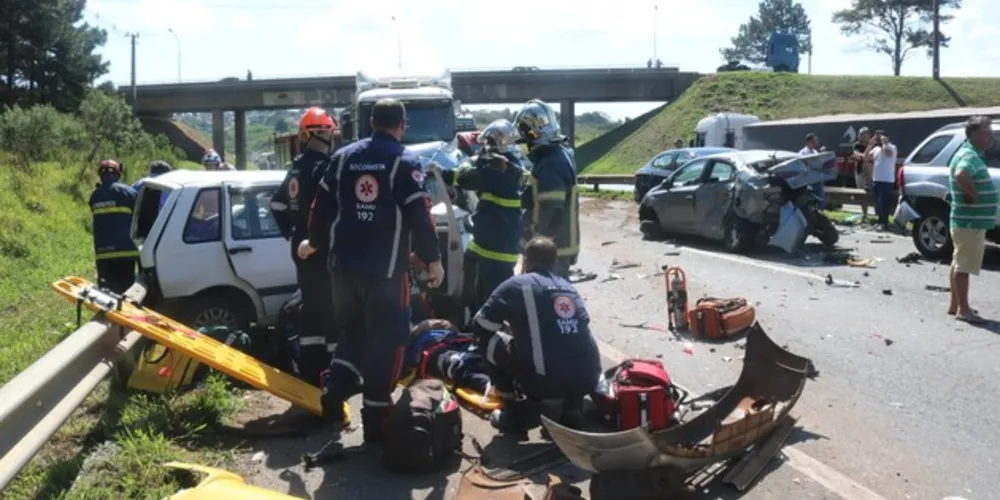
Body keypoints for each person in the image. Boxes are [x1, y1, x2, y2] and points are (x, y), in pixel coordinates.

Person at [300, 98, 444, 449]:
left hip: (342, 269)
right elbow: (419, 214)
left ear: (371, 122)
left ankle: (334, 391)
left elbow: (321, 205)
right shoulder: (404, 160)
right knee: (389, 340)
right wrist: (433, 258)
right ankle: (376, 419)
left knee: (353, 332)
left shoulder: (344, 156)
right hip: (384, 274)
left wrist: (313, 241)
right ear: (402, 124)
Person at [472, 236, 601, 432]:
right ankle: (573, 407)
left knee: (489, 340)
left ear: (526, 261)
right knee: (571, 339)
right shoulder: (568, 286)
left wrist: (514, 331)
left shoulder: (516, 285)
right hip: (589, 379)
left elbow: (481, 324)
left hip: (543, 381)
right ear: (555, 262)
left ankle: (513, 414)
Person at [270, 107, 340, 382]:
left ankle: (311, 369)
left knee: (310, 305)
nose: (332, 138)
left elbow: (276, 205)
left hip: (300, 244)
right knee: (331, 307)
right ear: (317, 135)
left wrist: (292, 233)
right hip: (320, 246)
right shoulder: (323, 168)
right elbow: (331, 211)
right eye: (328, 133)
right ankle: (333, 371)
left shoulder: (296, 167)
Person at [429, 119, 524, 314]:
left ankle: (484, 332)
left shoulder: (498, 170)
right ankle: (469, 314)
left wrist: (460, 168)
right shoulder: (510, 166)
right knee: (472, 272)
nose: (483, 148)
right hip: (492, 243)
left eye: (487, 143)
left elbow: (466, 177)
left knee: (489, 300)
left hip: (494, 249)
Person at [514, 99, 580, 279]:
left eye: (526, 131)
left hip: (550, 252)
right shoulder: (558, 154)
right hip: (556, 249)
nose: (525, 139)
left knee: (546, 301)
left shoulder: (550, 163)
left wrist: (538, 248)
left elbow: (553, 210)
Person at [947, 116, 998, 324]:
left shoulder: (969, 152)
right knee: (964, 266)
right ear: (975, 135)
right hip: (970, 222)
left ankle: (955, 304)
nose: (991, 137)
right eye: (987, 133)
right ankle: (964, 310)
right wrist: (973, 195)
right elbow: (961, 174)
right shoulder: (969, 155)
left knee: (958, 262)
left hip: (965, 221)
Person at [89, 159, 139, 294]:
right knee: (127, 294)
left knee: (106, 295)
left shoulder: (94, 196)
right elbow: (140, 218)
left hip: (103, 253)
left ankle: (106, 315)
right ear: (118, 174)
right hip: (127, 252)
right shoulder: (129, 193)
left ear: (100, 175)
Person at [868, 130, 897, 232]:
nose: (879, 138)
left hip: (887, 180)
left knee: (884, 203)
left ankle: (885, 223)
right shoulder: (875, 149)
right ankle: (879, 221)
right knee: (877, 203)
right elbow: (866, 157)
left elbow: (887, 154)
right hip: (876, 179)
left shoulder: (892, 148)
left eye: (882, 136)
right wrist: (870, 144)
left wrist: (884, 142)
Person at [850, 127, 873, 219]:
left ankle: (877, 215)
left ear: (868, 135)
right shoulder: (856, 145)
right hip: (859, 172)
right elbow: (858, 156)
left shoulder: (874, 145)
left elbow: (871, 157)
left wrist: (863, 157)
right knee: (861, 194)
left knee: (872, 194)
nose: (861, 137)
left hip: (872, 172)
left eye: (863, 135)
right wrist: (864, 157)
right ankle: (865, 215)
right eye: (860, 135)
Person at [798, 133, 826, 208]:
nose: (817, 142)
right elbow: (801, 167)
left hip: (818, 179)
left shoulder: (815, 152)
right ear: (809, 142)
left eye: (817, 140)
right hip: (809, 181)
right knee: (812, 198)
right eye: (815, 140)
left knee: (820, 197)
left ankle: (820, 211)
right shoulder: (802, 153)